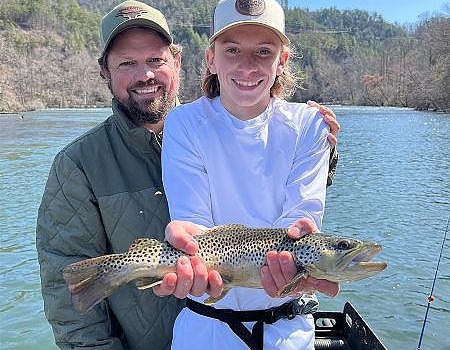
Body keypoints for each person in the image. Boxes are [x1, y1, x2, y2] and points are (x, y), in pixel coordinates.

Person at [36, 1, 339, 349]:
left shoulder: (193, 126)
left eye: (155, 60)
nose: (145, 75)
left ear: (178, 62)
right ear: (104, 70)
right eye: (126, 64)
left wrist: (322, 152)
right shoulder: (79, 164)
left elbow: (284, 204)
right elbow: (68, 294)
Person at [160, 0, 338, 349]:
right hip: (204, 330)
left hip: (288, 332)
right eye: (232, 50)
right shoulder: (182, 123)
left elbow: (299, 224)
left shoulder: (309, 125)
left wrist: (291, 255)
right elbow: (193, 222)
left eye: (263, 51)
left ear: (281, 60)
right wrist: (190, 246)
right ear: (211, 59)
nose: (247, 65)